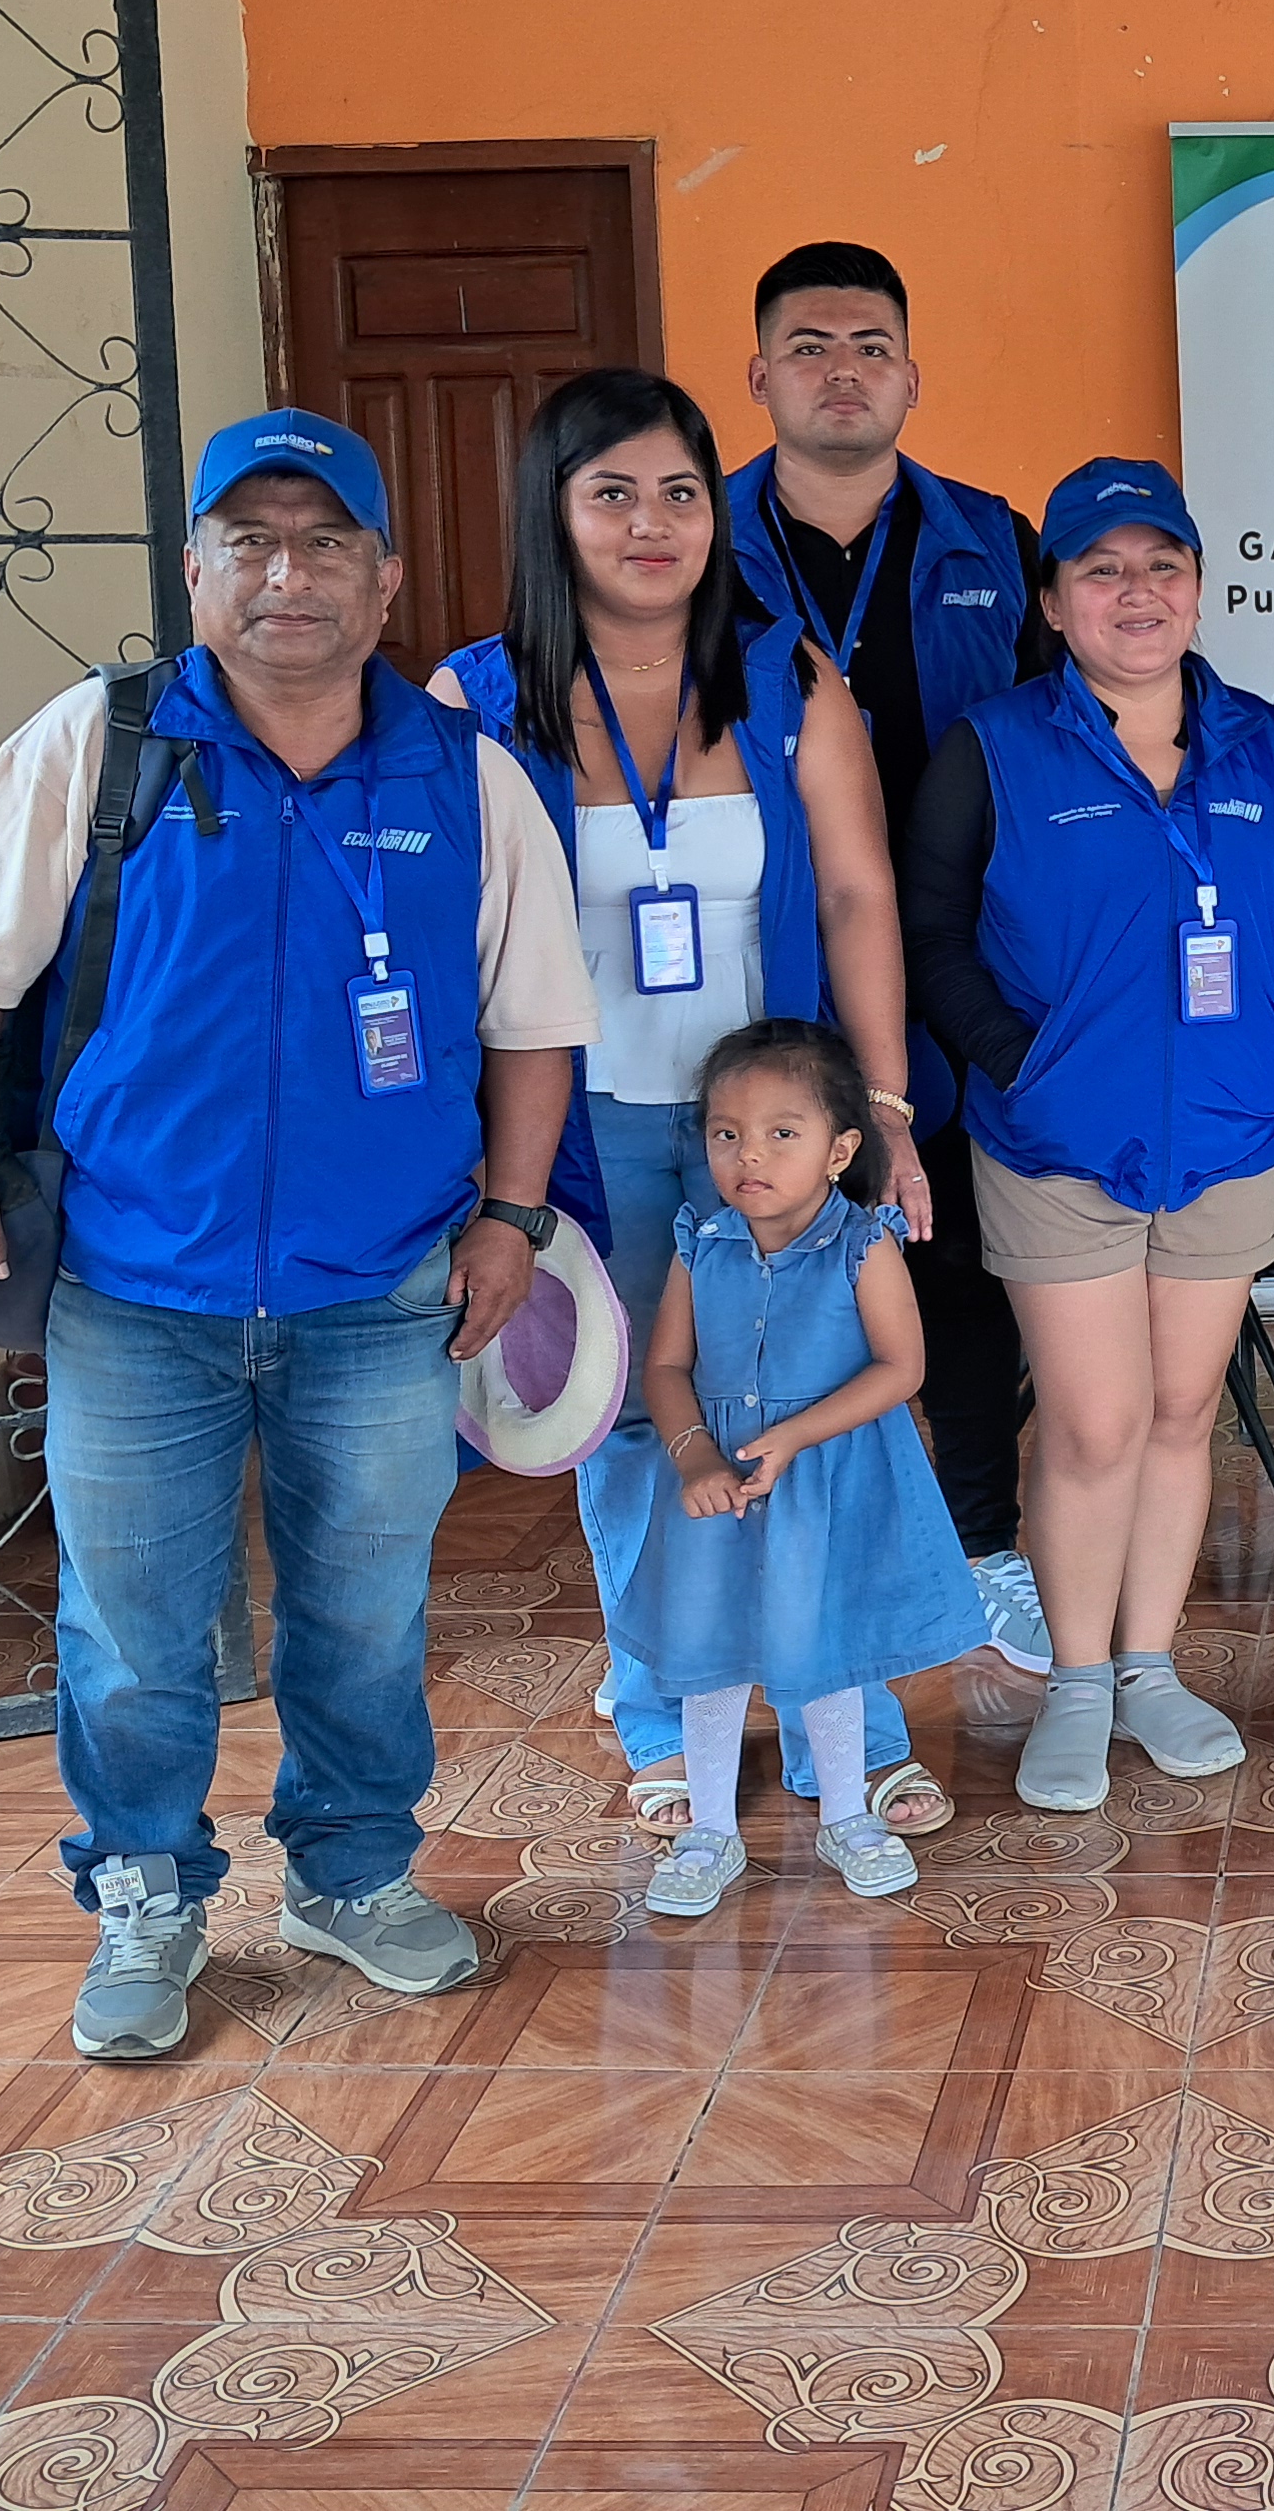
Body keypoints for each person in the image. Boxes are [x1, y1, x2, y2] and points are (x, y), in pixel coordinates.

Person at [0, 410, 593, 2060]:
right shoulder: (102, 745)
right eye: (252, 543)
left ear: (386, 578)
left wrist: (512, 1214)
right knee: (133, 1633)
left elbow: (534, 1023)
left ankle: (351, 1875)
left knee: (362, 1613)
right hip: (138, 1282)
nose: (291, 576)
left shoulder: (465, 774)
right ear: (196, 569)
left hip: (384, 1285)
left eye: (327, 542)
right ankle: (147, 1893)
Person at [433, 368, 958, 1845]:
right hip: (581, 1135)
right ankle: (666, 1717)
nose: (651, 523)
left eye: (678, 492)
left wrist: (883, 1107)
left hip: (774, 1134)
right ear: (553, 514)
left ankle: (846, 1727)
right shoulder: (474, 702)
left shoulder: (787, 680)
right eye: (611, 493)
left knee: (816, 1410)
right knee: (631, 1425)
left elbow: (857, 896)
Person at [905, 460, 1274, 1809]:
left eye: (1161, 566)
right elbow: (931, 932)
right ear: (1051, 601)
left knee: (1185, 1412)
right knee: (1094, 1423)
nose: (1136, 593)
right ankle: (1077, 1682)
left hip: (1227, 1136)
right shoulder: (993, 746)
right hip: (1056, 1145)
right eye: (1102, 570)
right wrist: (1025, 1064)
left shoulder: (1260, 740)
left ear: (1197, 586)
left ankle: (1151, 1666)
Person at [727, 241, 1058, 1673]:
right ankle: (750, 1574)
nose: (842, 370)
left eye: (870, 345)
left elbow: (1062, 738)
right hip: (760, 962)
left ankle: (986, 1546)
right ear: (760, 376)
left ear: (913, 377)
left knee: (960, 1263)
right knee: (762, 1263)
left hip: (956, 955)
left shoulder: (995, 540)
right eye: (810, 346)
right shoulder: (695, 542)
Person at [619, 1020, 987, 1915]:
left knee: (829, 1651)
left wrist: (793, 1437)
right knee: (709, 1657)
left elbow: (901, 1368)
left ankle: (848, 1814)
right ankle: (710, 1831)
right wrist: (693, 1456)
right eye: (727, 1133)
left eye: (782, 1132)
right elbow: (665, 1368)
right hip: (720, 1494)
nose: (750, 1154)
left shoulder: (865, 1244)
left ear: (840, 1150)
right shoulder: (700, 1243)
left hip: (826, 1487)